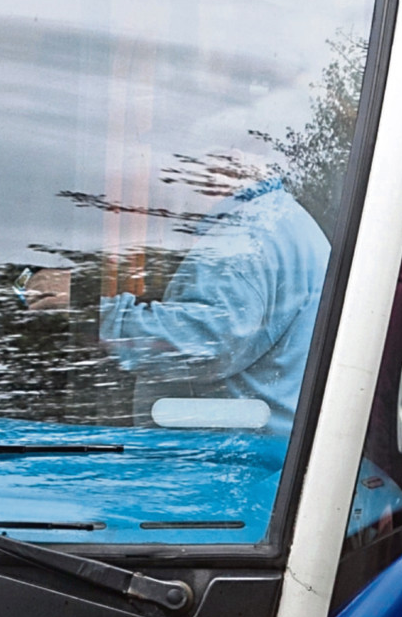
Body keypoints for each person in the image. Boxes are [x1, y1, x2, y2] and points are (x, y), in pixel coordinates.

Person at [25, 139, 328, 436]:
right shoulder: (280, 221)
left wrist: (90, 308)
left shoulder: (246, 239)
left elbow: (205, 343)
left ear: (225, 165)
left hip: (233, 461)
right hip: (261, 453)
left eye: (175, 180)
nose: (165, 206)